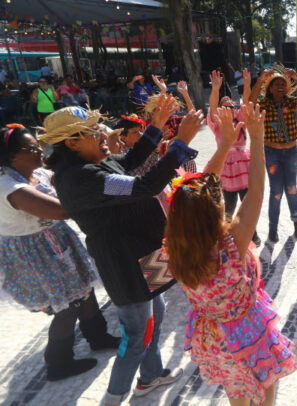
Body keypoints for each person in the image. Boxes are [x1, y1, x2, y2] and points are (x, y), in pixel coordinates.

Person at [42, 101, 202, 405]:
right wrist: (180, 143)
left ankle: (150, 377)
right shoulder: (80, 178)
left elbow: (128, 161)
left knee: (157, 314)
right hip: (125, 264)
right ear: (71, 143)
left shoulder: (92, 164)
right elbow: (144, 185)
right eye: (92, 131)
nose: (102, 133)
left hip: (144, 249)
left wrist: (156, 126)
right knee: (137, 334)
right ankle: (113, 397)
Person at [164, 104, 296, 406]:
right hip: (249, 334)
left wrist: (224, 145)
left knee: (236, 391)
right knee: (266, 387)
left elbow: (195, 194)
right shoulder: (229, 246)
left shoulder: (173, 246)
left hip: (214, 339)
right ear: (213, 213)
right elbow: (256, 192)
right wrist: (257, 139)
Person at [0, 124, 120, 381]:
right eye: (32, 148)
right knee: (66, 306)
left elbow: (65, 179)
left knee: (84, 290)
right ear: (11, 155)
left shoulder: (37, 172)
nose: (40, 152)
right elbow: (62, 210)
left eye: (39, 146)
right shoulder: (8, 186)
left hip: (56, 241)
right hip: (34, 253)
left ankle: (98, 337)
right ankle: (58, 363)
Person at [244, 67, 297, 244]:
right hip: (272, 153)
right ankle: (273, 228)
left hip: (291, 152)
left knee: (292, 188)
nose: (280, 86)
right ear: (270, 88)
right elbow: (250, 103)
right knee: (276, 191)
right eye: (276, 84)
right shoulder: (264, 104)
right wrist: (260, 80)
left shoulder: (290, 102)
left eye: (282, 84)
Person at [208, 70, 261, 246]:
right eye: (224, 106)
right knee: (229, 205)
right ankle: (227, 235)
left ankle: (252, 234)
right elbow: (212, 107)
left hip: (244, 165)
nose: (228, 108)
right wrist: (215, 89)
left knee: (248, 202)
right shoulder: (218, 124)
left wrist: (247, 84)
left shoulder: (240, 121)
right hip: (227, 168)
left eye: (230, 105)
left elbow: (246, 102)